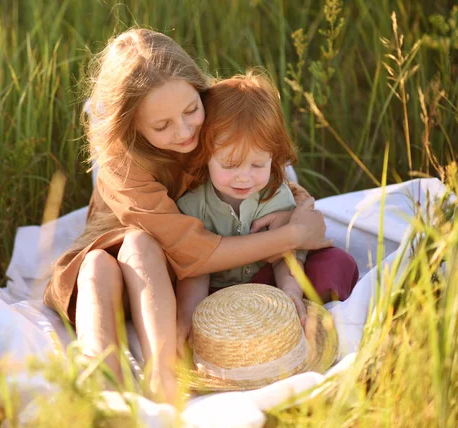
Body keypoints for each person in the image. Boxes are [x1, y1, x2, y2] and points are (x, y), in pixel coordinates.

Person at [43, 28, 332, 403]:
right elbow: (194, 252)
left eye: (192, 110)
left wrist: (299, 203)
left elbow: (258, 162)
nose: (183, 131)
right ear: (132, 127)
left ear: (200, 91)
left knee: (134, 249)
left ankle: (162, 375)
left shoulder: (210, 117)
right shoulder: (122, 164)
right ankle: (103, 379)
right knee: (104, 261)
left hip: (175, 277)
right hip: (134, 262)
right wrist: (293, 235)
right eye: (161, 126)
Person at [175, 72, 359, 356]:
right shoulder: (193, 204)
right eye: (230, 164)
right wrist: (188, 317)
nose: (244, 178)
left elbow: (287, 253)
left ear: (273, 158)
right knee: (201, 312)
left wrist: (289, 291)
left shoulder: (275, 193)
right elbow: (195, 269)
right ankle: (224, 329)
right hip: (216, 294)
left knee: (337, 264)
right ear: (205, 154)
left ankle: (291, 309)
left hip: (265, 282)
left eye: (257, 165)